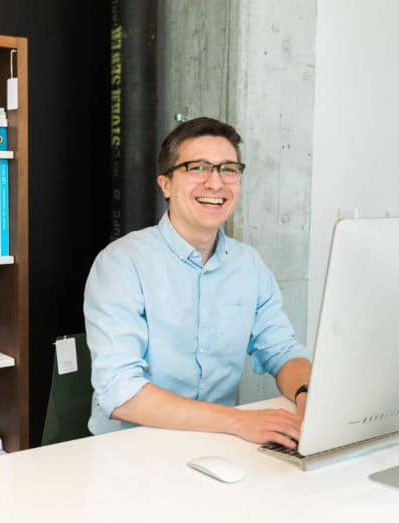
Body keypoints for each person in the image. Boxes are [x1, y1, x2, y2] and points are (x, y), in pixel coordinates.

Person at [83, 117, 311, 447]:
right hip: (132, 452)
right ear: (166, 184)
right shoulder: (122, 263)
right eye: (198, 168)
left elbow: (283, 350)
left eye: (228, 169)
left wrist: (308, 401)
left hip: (218, 444)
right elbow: (120, 392)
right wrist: (239, 421)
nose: (216, 183)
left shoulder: (249, 265)